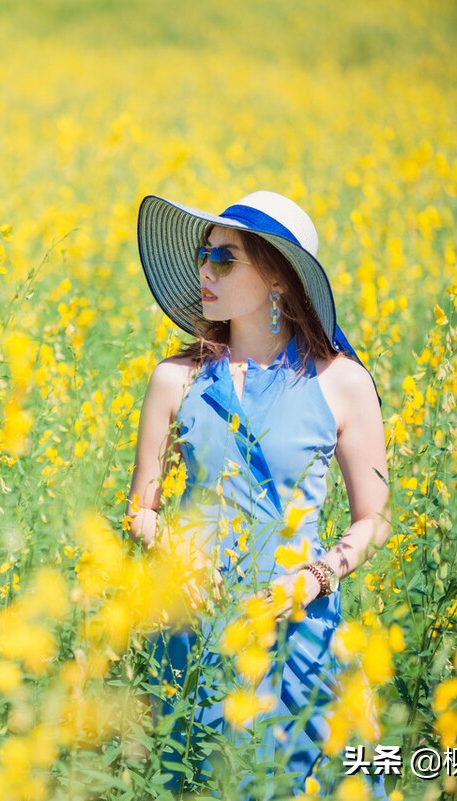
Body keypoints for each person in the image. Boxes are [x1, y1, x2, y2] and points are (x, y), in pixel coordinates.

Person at [127, 190, 391, 799]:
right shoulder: (175, 379)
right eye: (203, 256)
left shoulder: (343, 383)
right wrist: (173, 553)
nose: (204, 272)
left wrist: (316, 578)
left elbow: (372, 520)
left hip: (302, 631)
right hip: (193, 630)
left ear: (277, 277)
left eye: (224, 259)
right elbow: (141, 508)